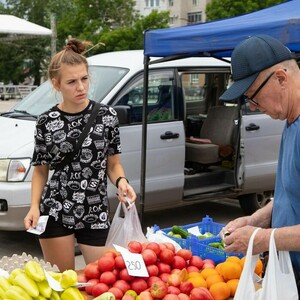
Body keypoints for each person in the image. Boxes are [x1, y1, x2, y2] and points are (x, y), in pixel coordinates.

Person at [24, 38, 136, 272]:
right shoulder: (46, 121)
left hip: (94, 210)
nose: (81, 87)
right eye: (72, 82)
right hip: (54, 209)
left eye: (84, 79)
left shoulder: (107, 116)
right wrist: (34, 206)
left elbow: (113, 164)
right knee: (62, 284)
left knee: (102, 279)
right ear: (56, 85)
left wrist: (122, 181)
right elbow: (41, 169)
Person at [219, 35, 300, 282]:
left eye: (253, 95)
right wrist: (256, 219)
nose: (252, 107)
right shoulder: (290, 122)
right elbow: (292, 194)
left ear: (281, 78)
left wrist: (260, 238)